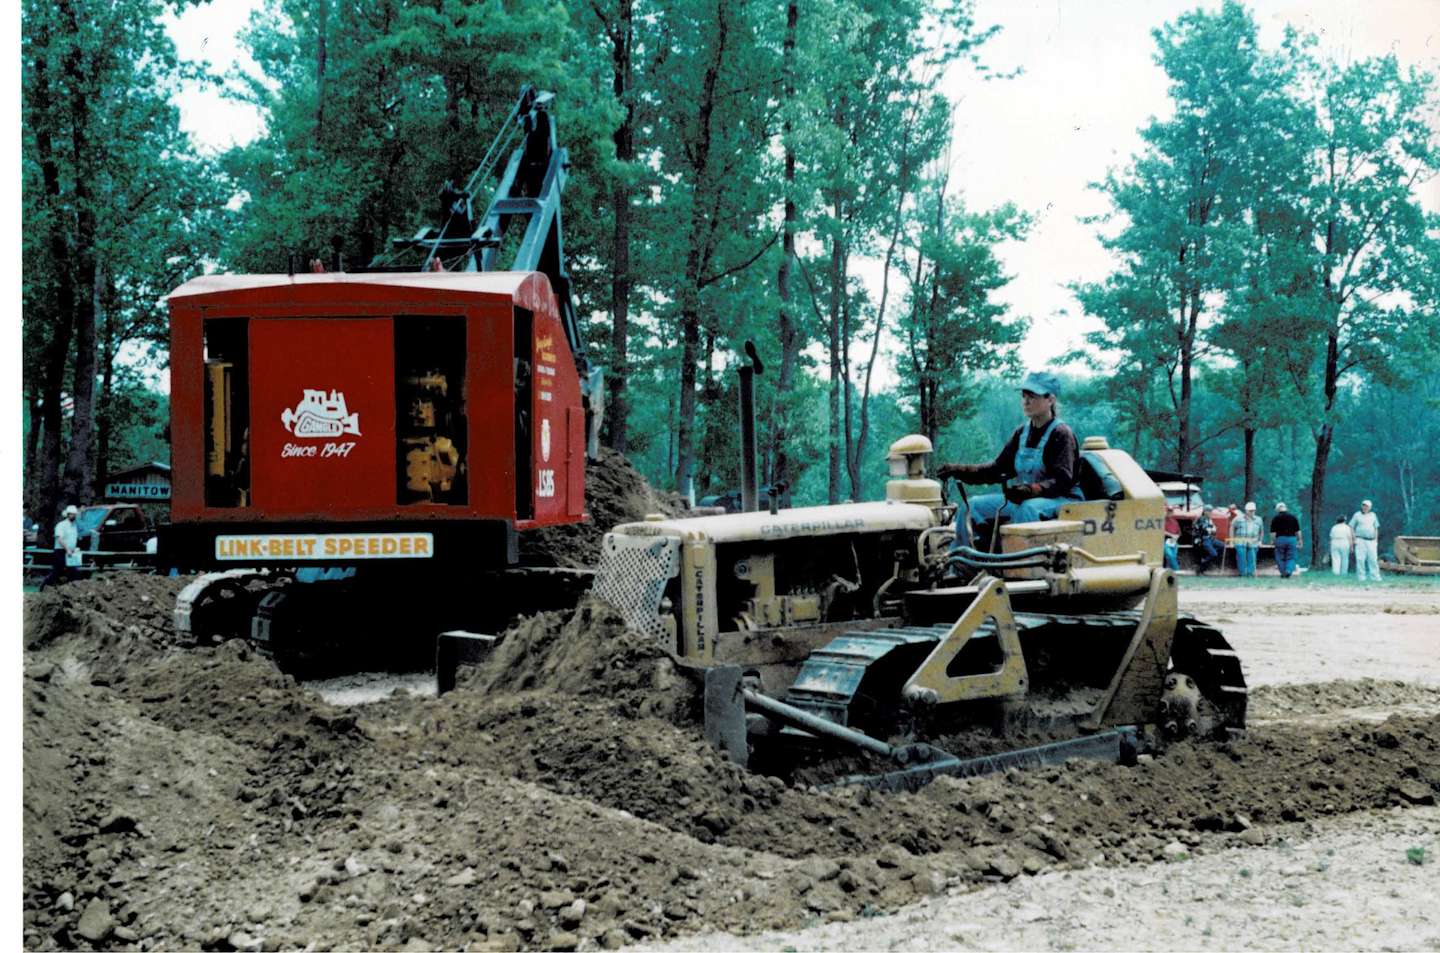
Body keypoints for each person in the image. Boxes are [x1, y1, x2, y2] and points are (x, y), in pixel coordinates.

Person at [936, 369, 1081, 550]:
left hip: (1061, 500)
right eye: (1024, 396)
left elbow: (1062, 481)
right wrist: (959, 470)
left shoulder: (1061, 434)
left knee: (1027, 509)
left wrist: (1031, 489)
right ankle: (961, 566)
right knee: (971, 507)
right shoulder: (1022, 433)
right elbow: (998, 469)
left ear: (1050, 400)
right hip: (1027, 499)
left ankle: (1019, 571)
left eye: (1033, 396)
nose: (1026, 401)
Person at [39, 504, 81, 592]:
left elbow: (73, 538)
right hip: (61, 551)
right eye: (72, 514)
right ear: (68, 515)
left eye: (74, 514)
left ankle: (73, 590)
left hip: (70, 551)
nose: (74, 516)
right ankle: (43, 587)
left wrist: (74, 548)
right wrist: (67, 549)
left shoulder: (74, 526)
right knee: (56, 571)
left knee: (73, 571)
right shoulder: (61, 525)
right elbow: (59, 538)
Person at [1349, 499, 1382, 582]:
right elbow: (1351, 526)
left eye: (1366, 506)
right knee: (1360, 559)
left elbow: (1376, 528)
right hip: (1360, 539)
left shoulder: (1373, 515)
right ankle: (1361, 577)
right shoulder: (1357, 515)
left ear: (1370, 507)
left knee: (1373, 559)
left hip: (1371, 540)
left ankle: (1375, 577)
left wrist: (1376, 540)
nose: (1364, 507)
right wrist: (1354, 538)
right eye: (1363, 505)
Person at [1231, 502, 1264, 578]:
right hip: (1240, 541)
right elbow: (1232, 527)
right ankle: (1242, 574)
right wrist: (1232, 541)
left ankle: (1249, 573)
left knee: (1252, 558)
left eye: (1253, 510)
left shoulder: (1258, 520)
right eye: (1250, 510)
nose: (1252, 512)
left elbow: (1261, 530)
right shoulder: (1238, 519)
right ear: (1246, 510)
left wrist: (1260, 541)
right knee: (1241, 557)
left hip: (1253, 542)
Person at [1270, 502, 1302, 578]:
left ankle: (1283, 572)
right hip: (1291, 539)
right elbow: (1298, 530)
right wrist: (1300, 540)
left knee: (1280, 557)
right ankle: (1289, 570)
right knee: (1291, 556)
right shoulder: (1293, 517)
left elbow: (1273, 532)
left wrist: (1272, 541)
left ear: (1278, 510)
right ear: (1286, 508)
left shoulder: (1275, 518)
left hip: (1280, 539)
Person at [1194, 509, 1223, 575]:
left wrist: (1211, 529)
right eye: (1209, 511)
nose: (1210, 512)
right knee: (1214, 553)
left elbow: (1214, 530)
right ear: (1204, 512)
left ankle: (1208, 558)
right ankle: (1201, 568)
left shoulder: (1209, 520)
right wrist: (1211, 529)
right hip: (1202, 540)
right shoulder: (1200, 519)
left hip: (1209, 538)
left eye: (1210, 511)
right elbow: (1204, 528)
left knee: (1222, 545)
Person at [1162, 505, 1181, 570]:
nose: (1169, 513)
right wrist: (1171, 535)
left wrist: (1176, 537)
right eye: (1168, 511)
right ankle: (1177, 571)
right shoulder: (1162, 521)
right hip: (1164, 541)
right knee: (1170, 556)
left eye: (1171, 512)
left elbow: (1178, 533)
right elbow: (1162, 532)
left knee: (1173, 557)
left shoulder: (1175, 522)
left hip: (1173, 541)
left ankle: (1169, 571)